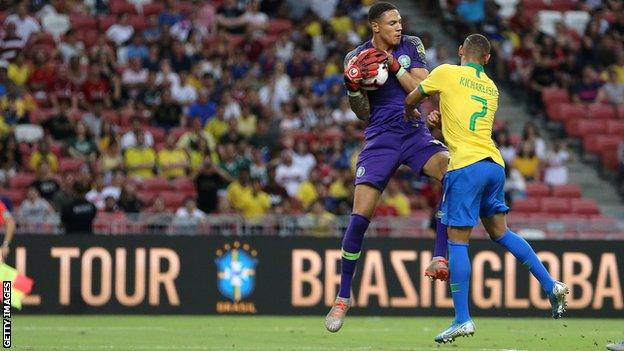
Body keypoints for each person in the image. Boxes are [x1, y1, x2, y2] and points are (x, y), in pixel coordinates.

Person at [404, 34, 568, 343]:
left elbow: (411, 98)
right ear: (488, 59)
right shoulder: (491, 88)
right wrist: (442, 124)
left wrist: (418, 117)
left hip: (465, 165)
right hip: (493, 164)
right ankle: (551, 285)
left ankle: (462, 318)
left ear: (460, 50)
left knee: (457, 241)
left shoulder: (447, 72)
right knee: (501, 233)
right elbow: (467, 124)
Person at [325, 2, 450, 333]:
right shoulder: (355, 57)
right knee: (359, 217)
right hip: (380, 137)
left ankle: (439, 255)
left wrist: (394, 66)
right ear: (374, 26)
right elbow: (362, 113)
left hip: (413, 132)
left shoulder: (412, 45)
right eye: (392, 22)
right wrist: (353, 88)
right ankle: (342, 297)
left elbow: (421, 90)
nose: (399, 26)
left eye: (400, 21)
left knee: (453, 174)